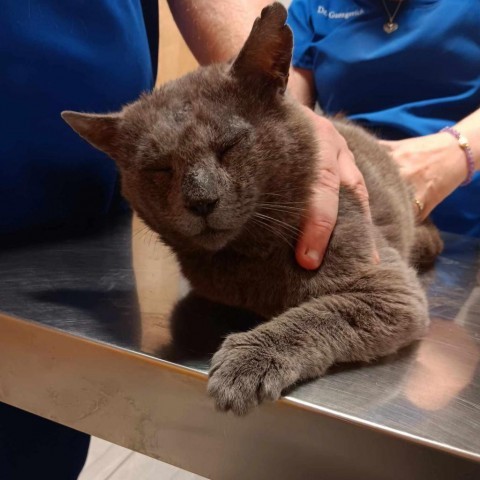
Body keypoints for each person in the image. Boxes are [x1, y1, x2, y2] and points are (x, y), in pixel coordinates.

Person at [1, 1, 364, 478]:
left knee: (46, 428)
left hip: (73, 209)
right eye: (159, 173)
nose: (201, 195)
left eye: (230, 149)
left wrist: (261, 92)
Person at [286, 0, 480, 238]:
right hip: (357, 217)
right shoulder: (312, 6)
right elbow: (285, 108)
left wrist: (456, 151)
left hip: (467, 225)